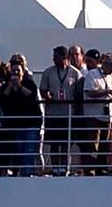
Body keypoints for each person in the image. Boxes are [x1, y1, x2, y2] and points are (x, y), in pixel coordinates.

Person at [39, 45, 81, 175]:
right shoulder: (48, 72)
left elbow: (79, 92)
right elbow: (42, 89)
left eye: (56, 57)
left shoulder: (75, 73)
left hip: (68, 114)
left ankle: (64, 167)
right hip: (53, 113)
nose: (53, 59)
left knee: (66, 144)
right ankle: (55, 167)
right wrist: (47, 95)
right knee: (54, 143)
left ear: (64, 57)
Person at [0, 54, 41, 176]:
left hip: (30, 123)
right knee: (16, 150)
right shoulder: (6, 85)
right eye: (13, 71)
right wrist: (11, 86)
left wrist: (19, 86)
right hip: (14, 124)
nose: (15, 73)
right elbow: (2, 98)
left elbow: (31, 96)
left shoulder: (29, 83)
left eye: (18, 71)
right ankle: (16, 172)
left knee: (28, 150)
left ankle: (27, 174)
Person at [81, 52, 112, 174]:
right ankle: (90, 170)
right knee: (93, 144)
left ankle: (102, 168)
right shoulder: (91, 75)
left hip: (108, 116)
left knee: (105, 144)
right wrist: (106, 92)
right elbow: (89, 93)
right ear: (105, 64)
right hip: (94, 115)